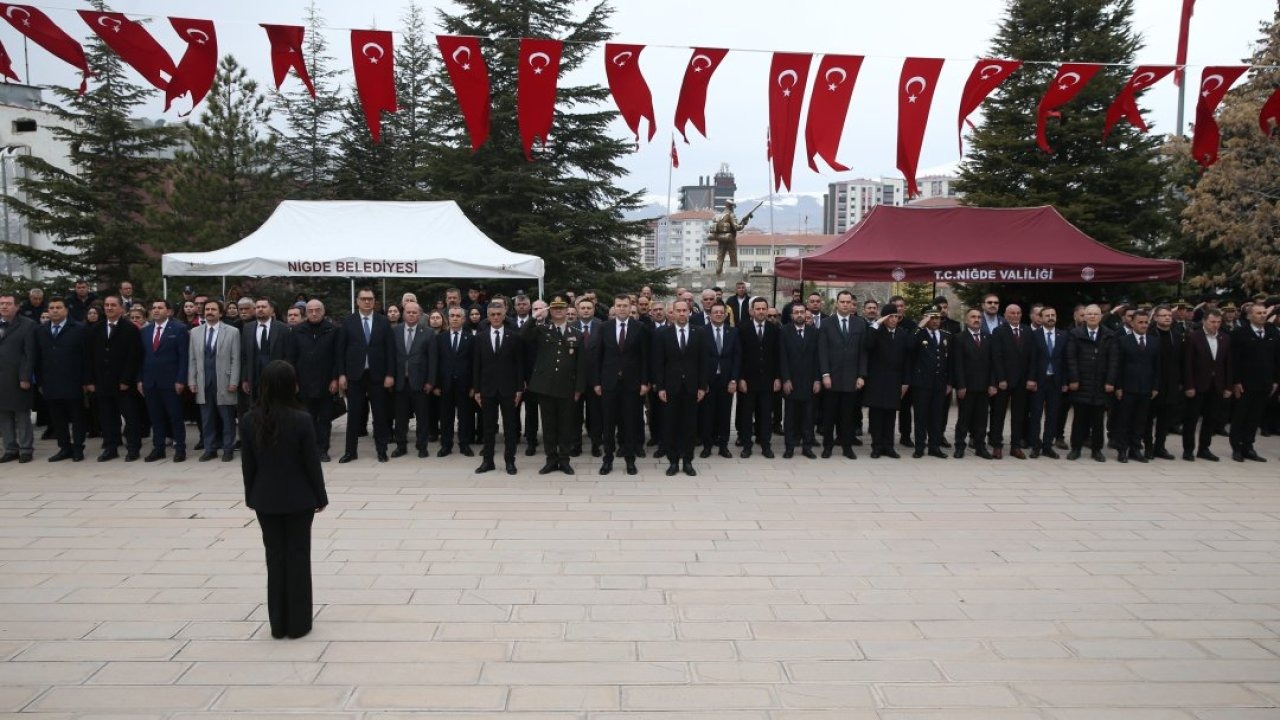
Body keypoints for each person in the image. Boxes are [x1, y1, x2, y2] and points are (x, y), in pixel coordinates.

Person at [241, 360, 327, 640]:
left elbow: (248, 466)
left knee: (274, 558)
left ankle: (278, 622)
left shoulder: (249, 420)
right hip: (299, 498)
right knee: (298, 557)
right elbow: (311, 463)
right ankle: (299, 622)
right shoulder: (301, 419)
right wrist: (320, 495)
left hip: (265, 498)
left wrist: (251, 496)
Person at [523, 297, 586, 474]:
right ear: (550, 311)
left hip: (567, 386)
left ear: (567, 310)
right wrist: (535, 316)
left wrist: (579, 388)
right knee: (549, 425)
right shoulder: (542, 330)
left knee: (566, 425)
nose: (558, 311)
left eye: (562, 308)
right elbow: (523, 335)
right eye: (555, 308)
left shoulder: (576, 333)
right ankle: (551, 459)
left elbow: (581, 364)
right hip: (545, 386)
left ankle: (564, 460)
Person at [337, 288, 396, 463]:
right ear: (357, 301)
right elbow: (341, 351)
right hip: (355, 376)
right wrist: (341, 374)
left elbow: (390, 350)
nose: (367, 302)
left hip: (377, 375)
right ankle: (350, 451)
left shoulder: (383, 322)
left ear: (374, 301)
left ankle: (381, 450)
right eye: (363, 299)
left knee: (380, 415)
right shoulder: (348, 322)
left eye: (370, 299)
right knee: (354, 415)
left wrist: (390, 374)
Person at [590, 294, 647, 476]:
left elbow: (645, 359)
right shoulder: (604, 327)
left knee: (629, 423)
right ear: (613, 308)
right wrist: (597, 382)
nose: (622, 309)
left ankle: (630, 461)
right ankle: (607, 460)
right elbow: (598, 356)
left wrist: (645, 382)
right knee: (608, 424)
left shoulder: (640, 328)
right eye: (618, 305)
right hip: (609, 383)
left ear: (630, 307)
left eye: (625, 305)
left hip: (632, 384)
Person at [652, 299, 708, 476]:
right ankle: (673, 461)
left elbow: (703, 363)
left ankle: (688, 461)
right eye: (679, 310)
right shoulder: (662, 334)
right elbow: (658, 363)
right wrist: (660, 387)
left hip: (692, 388)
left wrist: (702, 386)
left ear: (689, 312)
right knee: (670, 425)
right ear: (673, 312)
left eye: (685, 310)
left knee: (689, 426)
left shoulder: (699, 332)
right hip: (670, 388)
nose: (682, 313)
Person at [87, 295, 143, 462]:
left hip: (123, 383)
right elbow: (90, 357)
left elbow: (134, 356)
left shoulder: (130, 328)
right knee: (107, 418)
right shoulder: (96, 329)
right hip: (102, 382)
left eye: (113, 305)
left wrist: (126, 380)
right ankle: (110, 448)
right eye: (106, 305)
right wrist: (90, 380)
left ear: (121, 309)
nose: (109, 308)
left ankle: (133, 448)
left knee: (130, 417)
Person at [34, 297, 89, 462]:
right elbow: (38, 358)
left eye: (58, 307)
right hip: (51, 382)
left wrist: (86, 380)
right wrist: (40, 381)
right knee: (58, 418)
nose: (55, 310)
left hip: (74, 381)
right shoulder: (40, 330)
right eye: (51, 308)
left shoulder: (79, 329)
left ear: (66, 310)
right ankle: (64, 447)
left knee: (77, 417)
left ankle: (78, 447)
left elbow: (87, 357)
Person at [472, 300, 523, 475]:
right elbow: (476, 365)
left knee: (509, 427)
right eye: (492, 314)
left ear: (504, 315)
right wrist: (477, 390)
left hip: (509, 389)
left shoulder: (513, 336)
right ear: (488, 316)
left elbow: (519, 365)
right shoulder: (480, 337)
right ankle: (488, 461)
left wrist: (519, 389)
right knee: (488, 428)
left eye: (498, 314)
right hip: (487, 389)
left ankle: (510, 461)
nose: (495, 317)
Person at [818, 290, 868, 459]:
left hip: (851, 378)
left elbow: (863, 352)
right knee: (829, 415)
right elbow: (822, 351)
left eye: (849, 302)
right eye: (843, 302)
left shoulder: (860, 324)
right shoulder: (826, 323)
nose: (846, 305)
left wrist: (861, 375)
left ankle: (847, 447)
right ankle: (827, 446)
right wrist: (825, 374)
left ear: (852, 305)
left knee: (848, 416)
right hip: (831, 377)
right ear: (837, 303)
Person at [188, 300, 240, 463]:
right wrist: (192, 380)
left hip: (224, 381)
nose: (209, 312)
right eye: (207, 309)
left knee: (227, 418)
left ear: (221, 313)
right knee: (207, 418)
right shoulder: (195, 332)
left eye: (213, 309)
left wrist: (234, 381)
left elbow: (235, 358)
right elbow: (193, 359)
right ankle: (210, 449)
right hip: (204, 381)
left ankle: (228, 448)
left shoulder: (232, 331)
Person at [139, 300, 190, 463]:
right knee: (155, 417)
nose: (155, 310)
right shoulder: (145, 331)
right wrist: (140, 379)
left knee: (175, 416)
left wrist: (181, 379)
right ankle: (158, 448)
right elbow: (141, 357)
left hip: (171, 381)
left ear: (169, 312)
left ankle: (180, 448)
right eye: (153, 308)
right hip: (150, 382)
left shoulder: (179, 329)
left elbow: (184, 357)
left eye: (160, 308)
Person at [289, 300, 339, 462]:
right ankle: (307, 450)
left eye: (318, 310)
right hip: (304, 383)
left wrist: (335, 379)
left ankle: (322, 449)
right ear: (306, 313)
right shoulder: (297, 331)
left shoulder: (333, 330)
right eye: (310, 310)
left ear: (323, 312)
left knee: (324, 419)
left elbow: (337, 357)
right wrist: (293, 381)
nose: (314, 313)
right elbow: (291, 358)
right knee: (306, 419)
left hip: (326, 383)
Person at [1066, 304, 1117, 462]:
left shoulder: (1109, 335)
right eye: (1089, 314)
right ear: (1084, 317)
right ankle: (1076, 448)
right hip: (1081, 383)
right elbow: (1071, 358)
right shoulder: (1075, 334)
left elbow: (1114, 360)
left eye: (1096, 314)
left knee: (1097, 420)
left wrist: (1110, 381)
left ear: (1101, 317)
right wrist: (1074, 379)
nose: (1093, 316)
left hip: (1101, 384)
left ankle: (1097, 450)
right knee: (1079, 418)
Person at [1228, 302, 1278, 462]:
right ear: (1249, 315)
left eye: (1264, 313)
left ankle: (1248, 446)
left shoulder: (1272, 332)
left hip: (1265, 383)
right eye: (1258, 313)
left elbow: (1277, 359)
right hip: (1245, 384)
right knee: (1240, 416)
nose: (1263, 315)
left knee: (1255, 417)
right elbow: (1233, 360)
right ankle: (1236, 447)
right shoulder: (1240, 333)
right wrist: (1235, 381)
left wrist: (1276, 380)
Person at [1182, 308, 1232, 461]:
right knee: (1191, 418)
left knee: (1210, 418)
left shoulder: (1225, 338)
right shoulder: (1193, 337)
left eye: (1218, 322)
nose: (1215, 325)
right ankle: (1188, 449)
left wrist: (1228, 386)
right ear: (1204, 321)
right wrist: (1189, 385)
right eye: (1212, 322)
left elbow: (1228, 364)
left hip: (1216, 385)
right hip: (1197, 385)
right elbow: (1187, 364)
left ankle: (1204, 448)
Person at [1111, 309, 1160, 463]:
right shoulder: (1123, 341)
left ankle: (1135, 448)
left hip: (1146, 388)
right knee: (1124, 419)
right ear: (1132, 323)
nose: (1144, 325)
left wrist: (1155, 387)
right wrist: (1118, 386)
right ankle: (1122, 449)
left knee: (1141, 420)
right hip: (1127, 387)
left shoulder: (1154, 341)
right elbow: (1118, 365)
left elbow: (1157, 367)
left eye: (1146, 322)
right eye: (1140, 322)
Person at [989, 303, 1036, 459]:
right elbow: (996, 357)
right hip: (1004, 381)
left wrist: (1031, 378)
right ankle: (996, 445)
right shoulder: (999, 331)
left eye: (1018, 313)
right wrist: (1000, 379)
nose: (1015, 316)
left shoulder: (1028, 331)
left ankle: (1015, 446)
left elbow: (1033, 358)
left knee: (1019, 415)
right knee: (998, 414)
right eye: (1012, 313)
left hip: (1022, 382)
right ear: (1006, 315)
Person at [864, 304, 910, 459]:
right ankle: (876, 446)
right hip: (876, 380)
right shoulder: (876, 332)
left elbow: (907, 360)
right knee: (876, 415)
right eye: (890, 316)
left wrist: (905, 382)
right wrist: (877, 323)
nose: (894, 319)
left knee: (890, 415)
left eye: (896, 316)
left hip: (895, 380)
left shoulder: (903, 334)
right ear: (884, 318)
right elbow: (868, 344)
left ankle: (889, 446)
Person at [737, 297, 781, 458]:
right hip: (748, 381)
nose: (761, 312)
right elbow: (739, 356)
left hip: (768, 381)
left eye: (764, 309)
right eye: (758, 309)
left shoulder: (774, 329)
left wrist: (777, 377)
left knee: (765, 415)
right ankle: (747, 445)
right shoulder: (742, 329)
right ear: (752, 311)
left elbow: (778, 356)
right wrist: (740, 378)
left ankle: (765, 445)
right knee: (747, 414)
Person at [391, 301, 436, 459]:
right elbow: (390, 357)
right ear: (403, 314)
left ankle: (422, 446)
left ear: (420, 314)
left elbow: (432, 360)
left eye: (414, 312)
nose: (411, 315)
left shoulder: (428, 333)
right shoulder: (395, 331)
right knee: (401, 418)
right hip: (400, 383)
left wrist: (431, 381)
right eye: (408, 312)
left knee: (422, 418)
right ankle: (400, 446)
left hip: (421, 383)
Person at [952, 309, 996, 459]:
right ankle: (959, 446)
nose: (976, 319)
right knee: (964, 418)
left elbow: (993, 363)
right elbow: (957, 364)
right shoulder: (959, 338)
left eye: (978, 317)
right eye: (973, 317)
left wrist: (992, 384)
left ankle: (980, 447)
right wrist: (960, 385)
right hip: (967, 387)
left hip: (984, 386)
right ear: (966, 320)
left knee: (982, 418)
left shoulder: (988, 338)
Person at [909, 308, 951, 459]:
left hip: (940, 382)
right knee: (921, 416)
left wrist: (949, 382)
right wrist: (920, 326)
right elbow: (909, 346)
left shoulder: (946, 336)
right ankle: (920, 446)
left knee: (936, 416)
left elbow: (949, 361)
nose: (935, 321)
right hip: (922, 382)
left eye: (937, 318)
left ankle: (935, 447)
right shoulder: (919, 334)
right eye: (932, 318)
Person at [701, 301, 740, 459]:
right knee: (707, 414)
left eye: (721, 312)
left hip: (726, 380)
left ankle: (723, 446)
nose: (718, 314)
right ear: (710, 315)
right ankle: (707, 446)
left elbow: (738, 357)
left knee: (725, 414)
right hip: (708, 381)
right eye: (715, 312)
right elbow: (699, 358)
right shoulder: (702, 331)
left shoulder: (733, 332)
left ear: (725, 314)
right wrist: (702, 383)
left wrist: (734, 380)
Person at [1028, 306, 1068, 459]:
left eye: (1053, 314)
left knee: (1052, 415)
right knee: (1036, 414)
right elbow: (1031, 359)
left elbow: (1065, 360)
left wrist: (1065, 381)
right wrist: (1031, 379)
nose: (1050, 317)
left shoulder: (1063, 335)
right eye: (1047, 315)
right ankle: (1035, 446)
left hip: (1056, 381)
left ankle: (1047, 446)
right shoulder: (1034, 335)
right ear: (1041, 317)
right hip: (1038, 381)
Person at [1148, 305, 1184, 460]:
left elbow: (1181, 360)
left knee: (1165, 418)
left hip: (1171, 383)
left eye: (1169, 315)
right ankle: (1147, 446)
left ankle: (1160, 446)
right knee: (1148, 417)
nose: (1167, 318)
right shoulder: (1149, 334)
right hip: (1152, 382)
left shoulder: (1176, 335)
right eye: (1163, 315)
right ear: (1155, 318)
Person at [571, 298, 603, 457]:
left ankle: (596, 445)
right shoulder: (570, 328)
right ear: (577, 310)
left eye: (588, 308)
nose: (585, 310)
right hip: (575, 380)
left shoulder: (601, 327)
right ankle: (576, 445)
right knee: (575, 415)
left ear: (593, 310)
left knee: (595, 414)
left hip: (595, 380)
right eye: (582, 307)